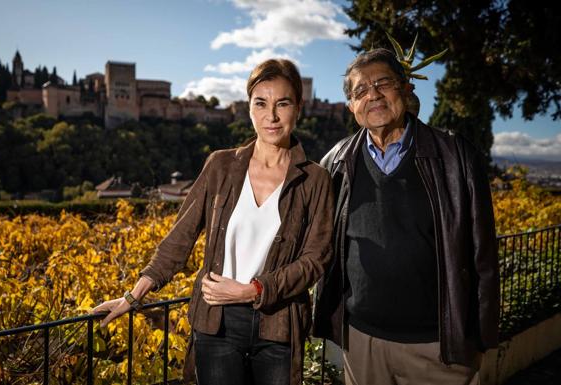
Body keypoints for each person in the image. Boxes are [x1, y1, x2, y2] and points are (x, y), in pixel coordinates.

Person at [93, 59, 333, 385]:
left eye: (283, 103)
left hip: (278, 324)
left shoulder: (315, 179)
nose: (271, 116)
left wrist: (254, 290)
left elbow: (315, 260)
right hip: (216, 322)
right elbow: (180, 238)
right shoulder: (220, 166)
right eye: (260, 103)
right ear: (248, 108)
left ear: (299, 107)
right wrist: (133, 297)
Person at [312, 48, 499, 385]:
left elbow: (483, 256)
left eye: (383, 83)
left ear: (406, 88)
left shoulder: (456, 157)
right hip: (362, 343)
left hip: (438, 348)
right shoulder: (336, 163)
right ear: (351, 107)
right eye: (360, 91)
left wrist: (482, 338)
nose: (373, 95)